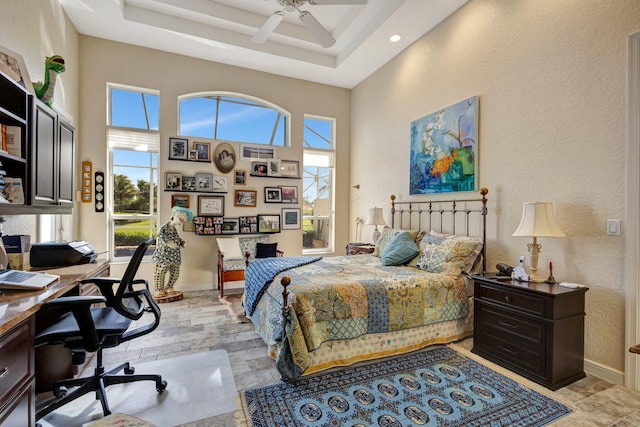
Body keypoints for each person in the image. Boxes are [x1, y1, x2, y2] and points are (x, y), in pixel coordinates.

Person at [152, 206, 193, 298]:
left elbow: (177, 239)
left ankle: (169, 287)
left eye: (185, 217)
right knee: (160, 273)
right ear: (174, 214)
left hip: (175, 256)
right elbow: (160, 235)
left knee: (175, 274)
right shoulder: (163, 228)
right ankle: (159, 290)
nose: (184, 218)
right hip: (163, 256)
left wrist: (182, 243)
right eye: (182, 215)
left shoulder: (174, 230)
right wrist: (168, 242)